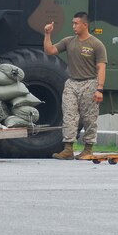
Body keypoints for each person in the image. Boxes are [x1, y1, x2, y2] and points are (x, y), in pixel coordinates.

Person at [44, 12, 107, 160]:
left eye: (76, 23)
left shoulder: (96, 44)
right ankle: (68, 149)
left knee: (89, 118)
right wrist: (47, 34)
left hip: (89, 83)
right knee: (69, 116)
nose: (73, 26)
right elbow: (50, 50)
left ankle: (88, 149)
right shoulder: (68, 41)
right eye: (72, 23)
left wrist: (100, 89)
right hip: (72, 83)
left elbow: (101, 68)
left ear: (85, 25)